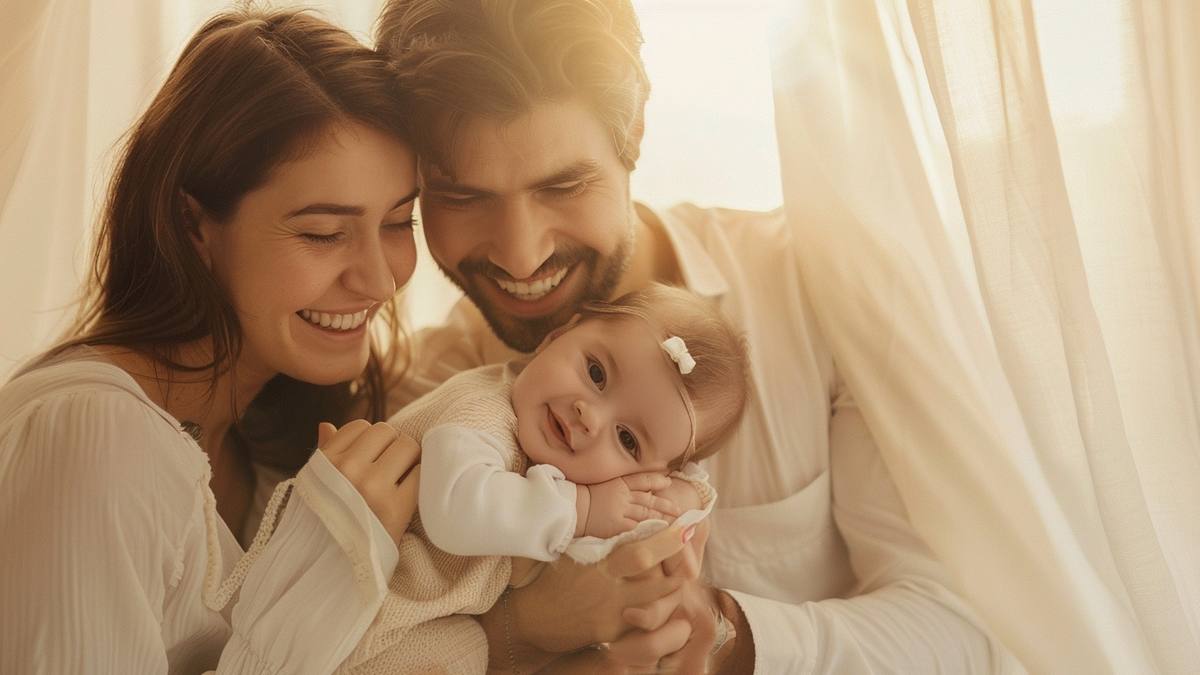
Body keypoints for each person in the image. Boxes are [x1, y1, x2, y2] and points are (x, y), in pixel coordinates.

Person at [375, 1, 1019, 672]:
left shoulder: (818, 289)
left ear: (636, 129)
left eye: (563, 185)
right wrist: (523, 633)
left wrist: (728, 632)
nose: (521, 255)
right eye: (463, 197)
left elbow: (969, 630)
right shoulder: (420, 402)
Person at [0, 9, 425, 673]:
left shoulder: (279, 443)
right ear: (192, 224)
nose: (381, 278)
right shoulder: (96, 442)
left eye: (399, 221)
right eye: (322, 233)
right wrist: (324, 571)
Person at [337, 283, 748, 673]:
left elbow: (655, 505)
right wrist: (583, 507)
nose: (589, 416)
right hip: (353, 614)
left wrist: (684, 500)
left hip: (403, 619)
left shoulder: (559, 465)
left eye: (627, 439)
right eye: (596, 373)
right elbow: (455, 506)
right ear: (557, 336)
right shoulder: (482, 412)